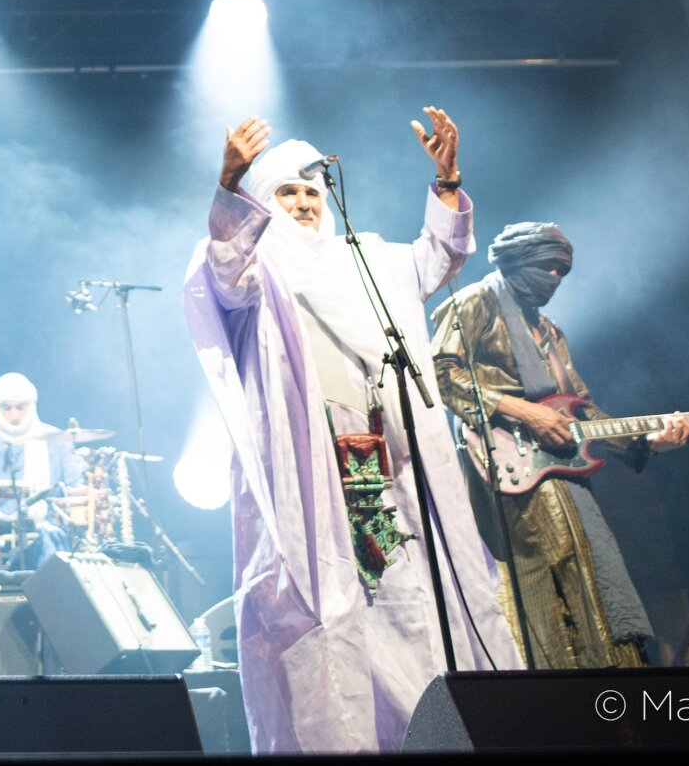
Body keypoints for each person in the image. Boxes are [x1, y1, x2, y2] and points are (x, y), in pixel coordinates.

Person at [181, 112, 520, 754]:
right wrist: (228, 185)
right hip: (314, 476)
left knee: (409, 604)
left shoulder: (368, 260)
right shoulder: (260, 269)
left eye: (311, 191)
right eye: (287, 192)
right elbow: (223, 268)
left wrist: (448, 180)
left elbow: (439, 256)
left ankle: (432, 735)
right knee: (333, 618)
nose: (304, 202)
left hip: (389, 471)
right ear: (263, 203)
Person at [432, 222, 689, 668]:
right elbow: (439, 371)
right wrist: (523, 410)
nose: (554, 278)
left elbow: (581, 409)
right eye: (547, 266)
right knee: (545, 564)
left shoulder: (550, 331)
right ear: (518, 261)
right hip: (506, 458)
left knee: (588, 562)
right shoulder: (475, 301)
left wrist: (645, 440)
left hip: (559, 465)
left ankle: (601, 675)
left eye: (562, 271)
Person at [0, 371, 86, 571]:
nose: (14, 415)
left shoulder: (56, 440)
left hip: (46, 531)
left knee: (49, 542)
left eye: (20, 407)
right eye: (7, 408)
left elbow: (75, 490)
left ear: (31, 406)